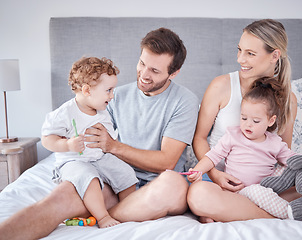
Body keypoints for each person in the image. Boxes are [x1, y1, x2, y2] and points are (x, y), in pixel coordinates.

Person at [0, 27, 199, 239]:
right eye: (142, 64)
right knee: (61, 196)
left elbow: (166, 162)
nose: (144, 75)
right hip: (113, 180)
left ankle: (101, 215)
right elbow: (82, 124)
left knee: (173, 183)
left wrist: (112, 145)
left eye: (155, 71)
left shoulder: (184, 101)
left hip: (159, 184)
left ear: (174, 72)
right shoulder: (113, 96)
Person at [187, 19, 302, 223]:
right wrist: (215, 175)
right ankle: (287, 213)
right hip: (218, 180)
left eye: (250, 53)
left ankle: (234, 211)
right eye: (240, 50)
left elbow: (283, 155)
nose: (240, 59)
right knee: (198, 196)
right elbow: (199, 138)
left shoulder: (288, 100)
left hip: (266, 186)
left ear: (274, 56)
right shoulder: (221, 85)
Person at [41, 57, 139, 228]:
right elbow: (47, 139)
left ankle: (128, 210)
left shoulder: (102, 111)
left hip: (99, 158)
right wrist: (67, 145)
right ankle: (102, 217)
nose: (112, 95)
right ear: (87, 90)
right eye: (108, 90)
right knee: (89, 179)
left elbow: (110, 138)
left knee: (126, 173)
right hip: (73, 161)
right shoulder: (65, 113)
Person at [188, 77, 296, 220]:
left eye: (255, 121)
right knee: (203, 192)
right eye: (244, 118)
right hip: (234, 191)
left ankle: (291, 212)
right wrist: (198, 170)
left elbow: (293, 160)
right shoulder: (233, 135)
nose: (248, 125)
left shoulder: (275, 143)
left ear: (271, 121)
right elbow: (212, 156)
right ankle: (289, 213)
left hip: (263, 190)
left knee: (292, 173)